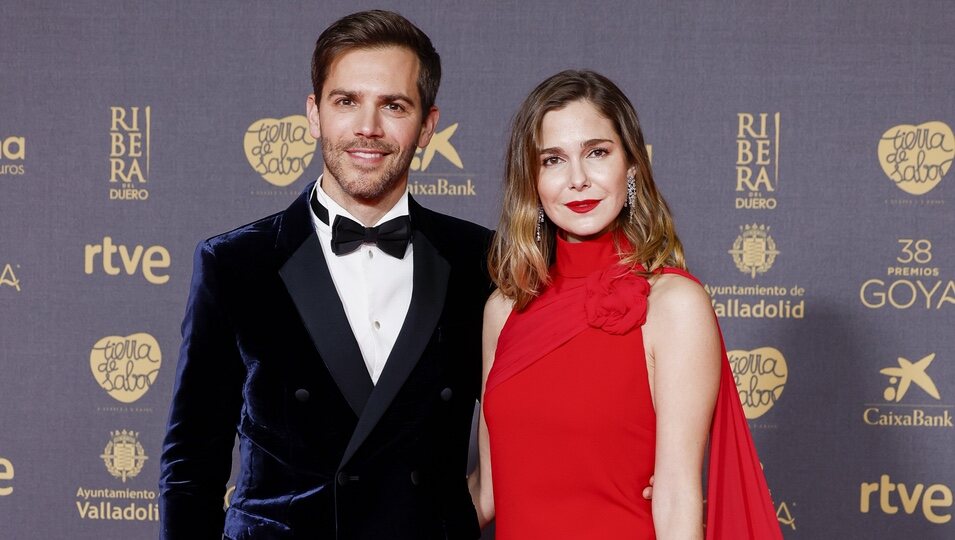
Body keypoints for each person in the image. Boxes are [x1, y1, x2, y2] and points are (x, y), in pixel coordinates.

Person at [159, 11, 494, 539]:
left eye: (394, 105)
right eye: (347, 101)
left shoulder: (482, 260)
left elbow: (530, 425)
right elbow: (190, 468)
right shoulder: (234, 263)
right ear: (314, 115)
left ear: (428, 125)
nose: (368, 126)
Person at [469, 70, 782, 539]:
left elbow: (677, 495)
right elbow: (489, 493)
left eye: (597, 152)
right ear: (531, 180)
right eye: (553, 160)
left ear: (631, 167)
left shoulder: (674, 305)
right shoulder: (504, 310)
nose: (578, 179)